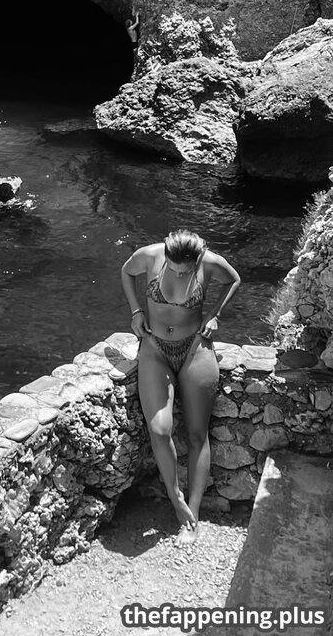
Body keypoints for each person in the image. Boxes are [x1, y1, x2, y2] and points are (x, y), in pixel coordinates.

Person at [120, 229, 240, 545]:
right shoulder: (149, 255)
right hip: (154, 349)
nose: (178, 274)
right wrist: (136, 311)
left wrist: (214, 315)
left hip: (195, 349)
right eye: (172, 268)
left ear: (196, 261)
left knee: (197, 434)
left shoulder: (209, 262)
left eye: (185, 271)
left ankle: (192, 517)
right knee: (159, 429)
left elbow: (233, 280)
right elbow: (126, 272)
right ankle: (176, 499)